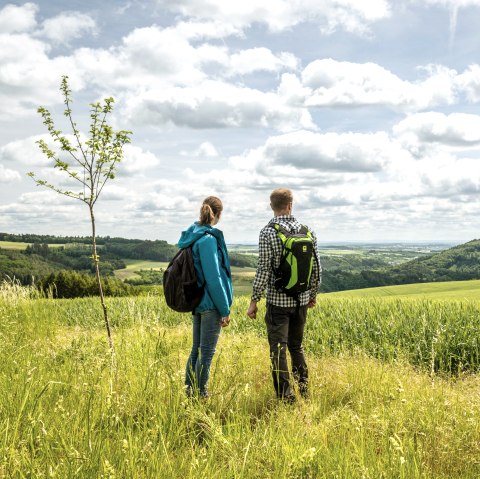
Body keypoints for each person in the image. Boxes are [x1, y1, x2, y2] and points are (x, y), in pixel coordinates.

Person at [247, 188, 321, 402]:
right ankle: (304, 392)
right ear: (291, 204)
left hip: (277, 303)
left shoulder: (267, 232)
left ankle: (286, 397)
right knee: (296, 346)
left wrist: (254, 300)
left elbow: (263, 270)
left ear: (272, 206)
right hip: (301, 300)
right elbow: (317, 270)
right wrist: (312, 295)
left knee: (278, 349)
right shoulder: (308, 232)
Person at [178, 196, 233, 398]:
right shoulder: (208, 240)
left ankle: (189, 393)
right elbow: (214, 278)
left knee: (196, 350)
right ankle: (200, 396)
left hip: (197, 300)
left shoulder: (193, 236)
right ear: (217, 214)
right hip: (210, 303)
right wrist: (225, 309)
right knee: (206, 352)